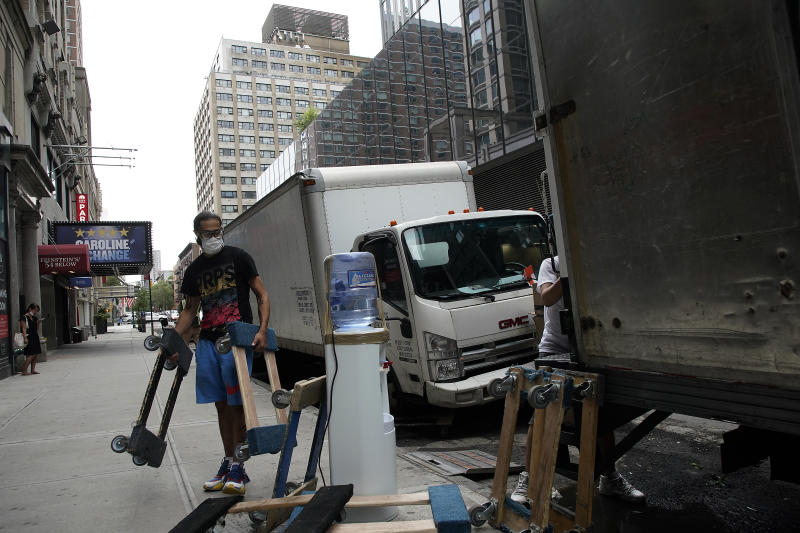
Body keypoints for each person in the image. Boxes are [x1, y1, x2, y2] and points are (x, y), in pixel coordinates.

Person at [511, 255, 646, 506]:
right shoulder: (551, 264)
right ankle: (530, 478)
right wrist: (569, 272)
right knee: (543, 412)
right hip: (554, 350)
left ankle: (609, 475)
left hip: (589, 348)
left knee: (600, 413)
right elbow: (548, 298)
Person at [173, 211, 270, 496]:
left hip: (237, 340)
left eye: (218, 232)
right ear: (197, 236)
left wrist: (261, 330)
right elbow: (190, 310)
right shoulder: (193, 271)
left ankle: (240, 465)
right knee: (220, 406)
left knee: (236, 405)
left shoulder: (239, 257)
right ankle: (229, 462)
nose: (214, 238)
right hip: (208, 342)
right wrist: (172, 341)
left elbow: (262, 294)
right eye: (208, 234)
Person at [19, 304, 42, 375]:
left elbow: (36, 329)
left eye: (36, 311)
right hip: (29, 337)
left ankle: (33, 369)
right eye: (34, 310)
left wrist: (38, 323)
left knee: (35, 354)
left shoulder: (34, 318)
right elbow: (23, 328)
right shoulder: (24, 317)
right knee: (31, 354)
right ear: (30, 309)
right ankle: (24, 370)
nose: (35, 312)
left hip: (35, 336)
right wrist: (25, 338)